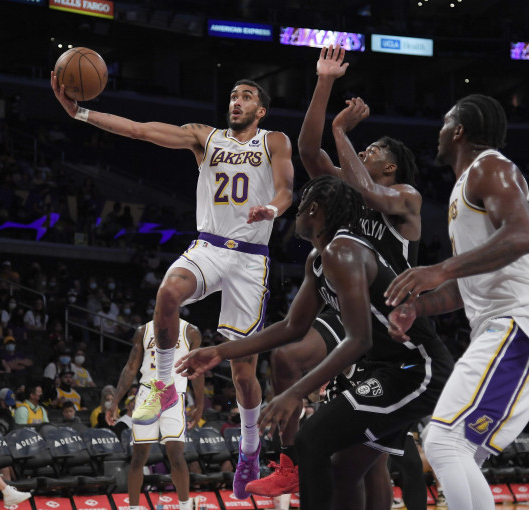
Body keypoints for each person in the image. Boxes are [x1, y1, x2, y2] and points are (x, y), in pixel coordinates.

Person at [52, 69, 293, 498]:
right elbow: (140, 130)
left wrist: (272, 211)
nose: (236, 101)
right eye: (233, 95)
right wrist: (81, 113)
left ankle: (251, 449)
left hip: (250, 259)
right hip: (210, 246)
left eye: (246, 96)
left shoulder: (274, 140)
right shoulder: (206, 137)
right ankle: (164, 384)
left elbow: (286, 190)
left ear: (261, 109)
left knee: (242, 373)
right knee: (167, 292)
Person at [176, 176, 452, 510]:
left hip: (416, 368)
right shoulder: (319, 259)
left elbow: (359, 339)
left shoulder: (343, 250)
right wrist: (220, 351)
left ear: (314, 209)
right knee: (344, 470)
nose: (295, 214)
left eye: (301, 205)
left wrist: (293, 393)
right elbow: (293, 326)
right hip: (389, 369)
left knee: (311, 440)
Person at [249, 45, 428, 508]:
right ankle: (288, 462)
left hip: (391, 326)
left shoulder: (405, 196)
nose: (363, 152)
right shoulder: (348, 193)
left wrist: (341, 130)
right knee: (289, 358)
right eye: (361, 147)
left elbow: (369, 189)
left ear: (390, 166)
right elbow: (309, 151)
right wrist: (324, 83)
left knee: (368, 462)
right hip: (348, 311)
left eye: (373, 151)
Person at [384, 94, 529, 510]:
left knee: (443, 441)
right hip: (508, 328)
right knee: (459, 449)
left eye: (445, 124)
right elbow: (466, 286)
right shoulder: (464, 188)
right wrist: (418, 308)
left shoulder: (490, 167)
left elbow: (522, 236)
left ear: (460, 130)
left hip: (519, 323)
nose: (440, 132)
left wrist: (440, 269)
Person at [106, 319, 204, 510]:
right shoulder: (143, 330)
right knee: (139, 456)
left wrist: (199, 405)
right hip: (146, 394)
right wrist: (116, 400)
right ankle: (134, 507)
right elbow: (130, 367)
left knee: (176, 455)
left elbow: (197, 371)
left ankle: (185, 506)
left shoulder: (191, 331)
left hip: (175, 395)